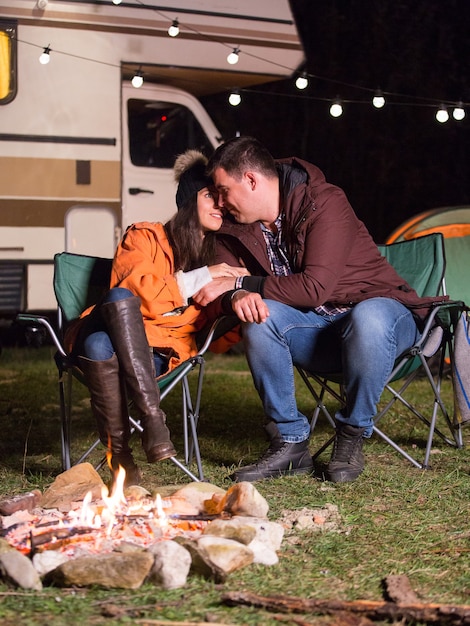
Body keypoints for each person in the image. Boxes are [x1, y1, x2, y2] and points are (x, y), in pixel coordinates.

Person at [194, 136, 447, 483]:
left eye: (223, 190)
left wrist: (242, 285)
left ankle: (351, 434)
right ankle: (290, 442)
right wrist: (236, 298)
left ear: (251, 180)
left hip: (386, 318)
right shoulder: (232, 227)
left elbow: (314, 288)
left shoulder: (323, 202)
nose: (219, 202)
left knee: (368, 316)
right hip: (321, 332)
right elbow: (220, 285)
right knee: (261, 318)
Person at [69, 149, 248, 487]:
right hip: (107, 322)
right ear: (188, 200)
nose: (219, 206)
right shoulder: (144, 236)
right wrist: (201, 277)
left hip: (155, 355)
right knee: (121, 299)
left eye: (222, 199)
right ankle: (154, 420)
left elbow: (221, 335)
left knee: (97, 345)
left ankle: (120, 458)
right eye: (210, 195)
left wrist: (236, 296)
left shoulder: (220, 256)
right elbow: (135, 294)